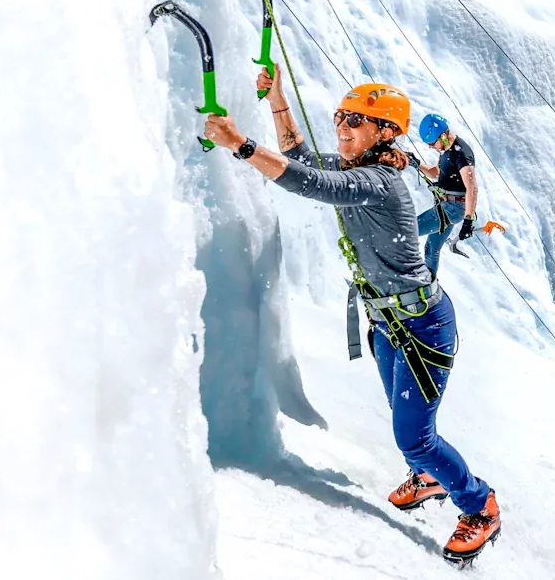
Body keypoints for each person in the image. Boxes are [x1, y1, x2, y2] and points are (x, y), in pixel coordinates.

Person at [201, 68, 500, 563]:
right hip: (392, 325)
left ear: (384, 132)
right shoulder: (358, 169)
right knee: (410, 429)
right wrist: (277, 98)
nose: (341, 127)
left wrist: (240, 144)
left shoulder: (378, 182)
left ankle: (480, 504)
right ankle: (429, 477)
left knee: (414, 436)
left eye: (354, 120)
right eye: (340, 118)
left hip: (422, 328)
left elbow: (309, 182)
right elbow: (299, 158)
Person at [414, 113, 479, 274]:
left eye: (431, 143)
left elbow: (472, 188)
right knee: (431, 248)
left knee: (408, 231)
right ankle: (429, 287)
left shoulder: (462, 154)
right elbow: (436, 172)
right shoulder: (447, 149)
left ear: (442, 136)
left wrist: (468, 221)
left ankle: (386, 277)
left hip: (452, 208)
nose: (431, 147)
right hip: (448, 205)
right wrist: (417, 164)